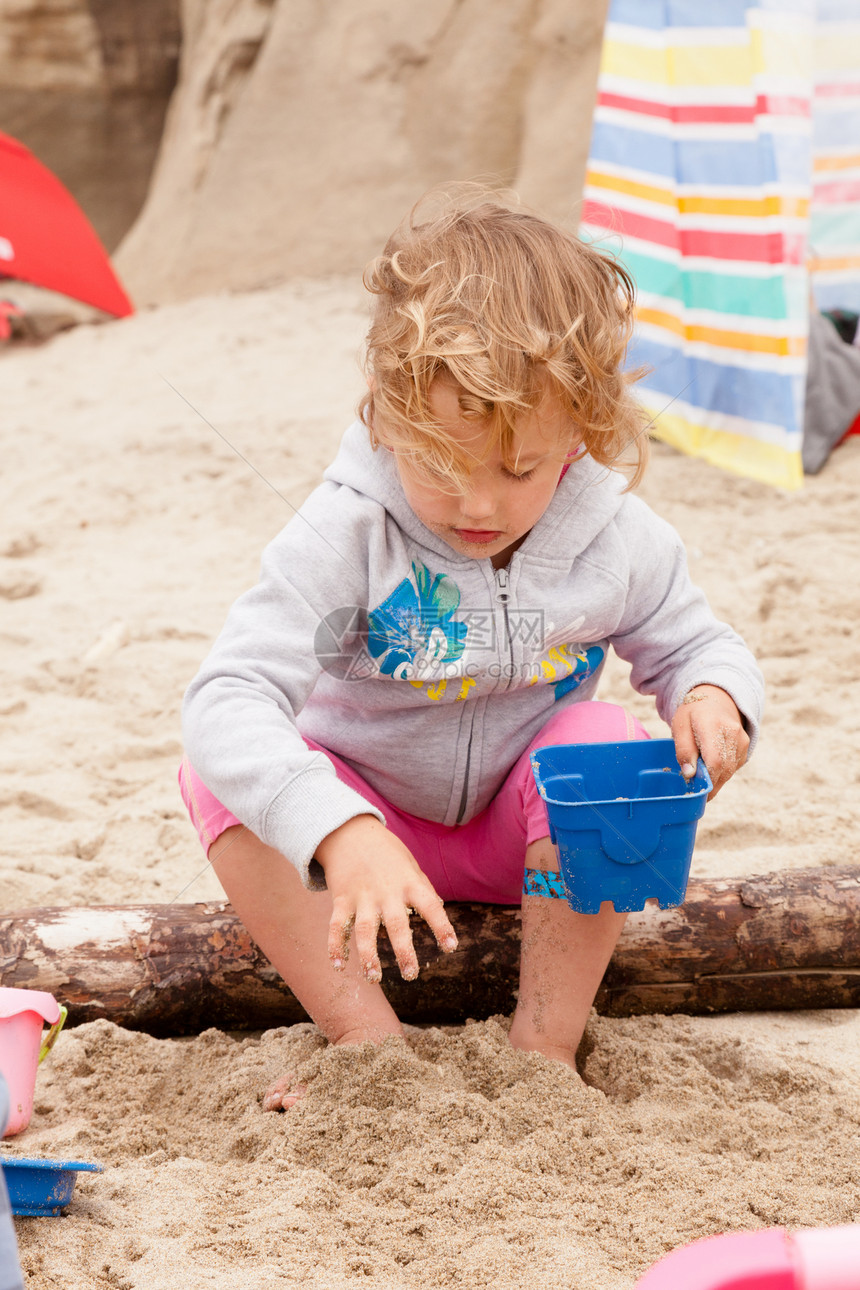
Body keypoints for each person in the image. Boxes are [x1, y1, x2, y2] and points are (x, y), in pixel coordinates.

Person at [180, 194, 763, 1110]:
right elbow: (226, 696)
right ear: (388, 418)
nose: (477, 505)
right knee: (215, 774)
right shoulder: (350, 529)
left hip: (520, 836)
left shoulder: (613, 535)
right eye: (439, 466)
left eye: (517, 469)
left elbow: (696, 639)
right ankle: (367, 1044)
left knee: (602, 737)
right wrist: (340, 829)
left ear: (579, 431)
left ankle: (545, 1050)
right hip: (363, 835)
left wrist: (714, 694)